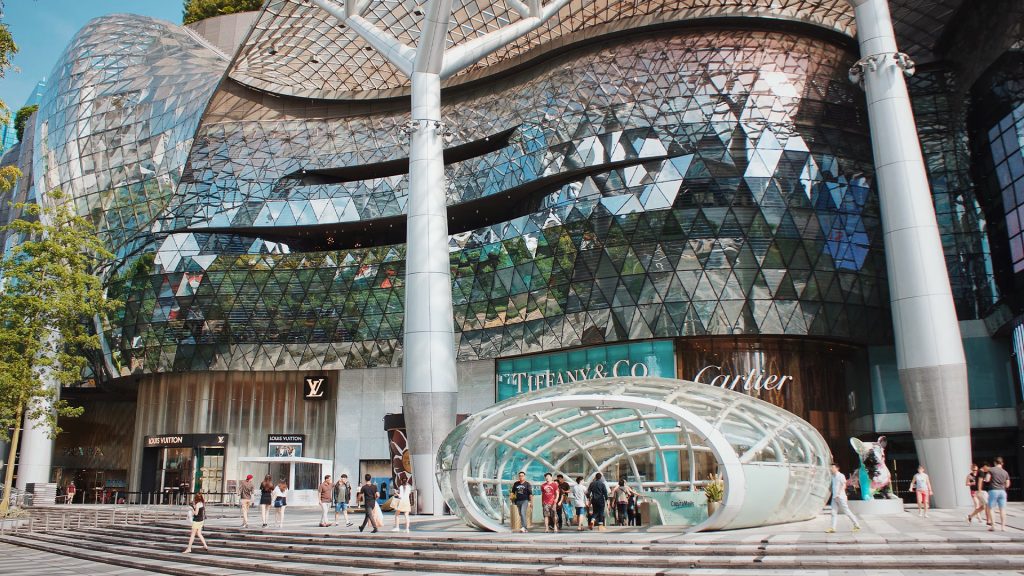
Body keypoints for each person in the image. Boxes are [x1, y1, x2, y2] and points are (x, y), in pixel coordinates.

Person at [827, 463, 861, 533]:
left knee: (846, 511)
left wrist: (838, 494)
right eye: (831, 467)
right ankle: (833, 528)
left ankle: (856, 525)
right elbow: (832, 486)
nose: (831, 469)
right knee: (833, 512)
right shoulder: (833, 476)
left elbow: (844, 485)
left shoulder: (840, 476)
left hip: (840, 497)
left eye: (832, 468)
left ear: (837, 468)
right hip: (834, 497)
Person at [986, 456, 1011, 532]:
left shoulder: (991, 470)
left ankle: (993, 526)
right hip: (1002, 492)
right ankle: (1003, 527)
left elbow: (987, 479)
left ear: (994, 462)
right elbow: (1007, 485)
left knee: (991, 508)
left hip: (993, 490)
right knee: (1002, 509)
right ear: (1002, 463)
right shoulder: (1005, 472)